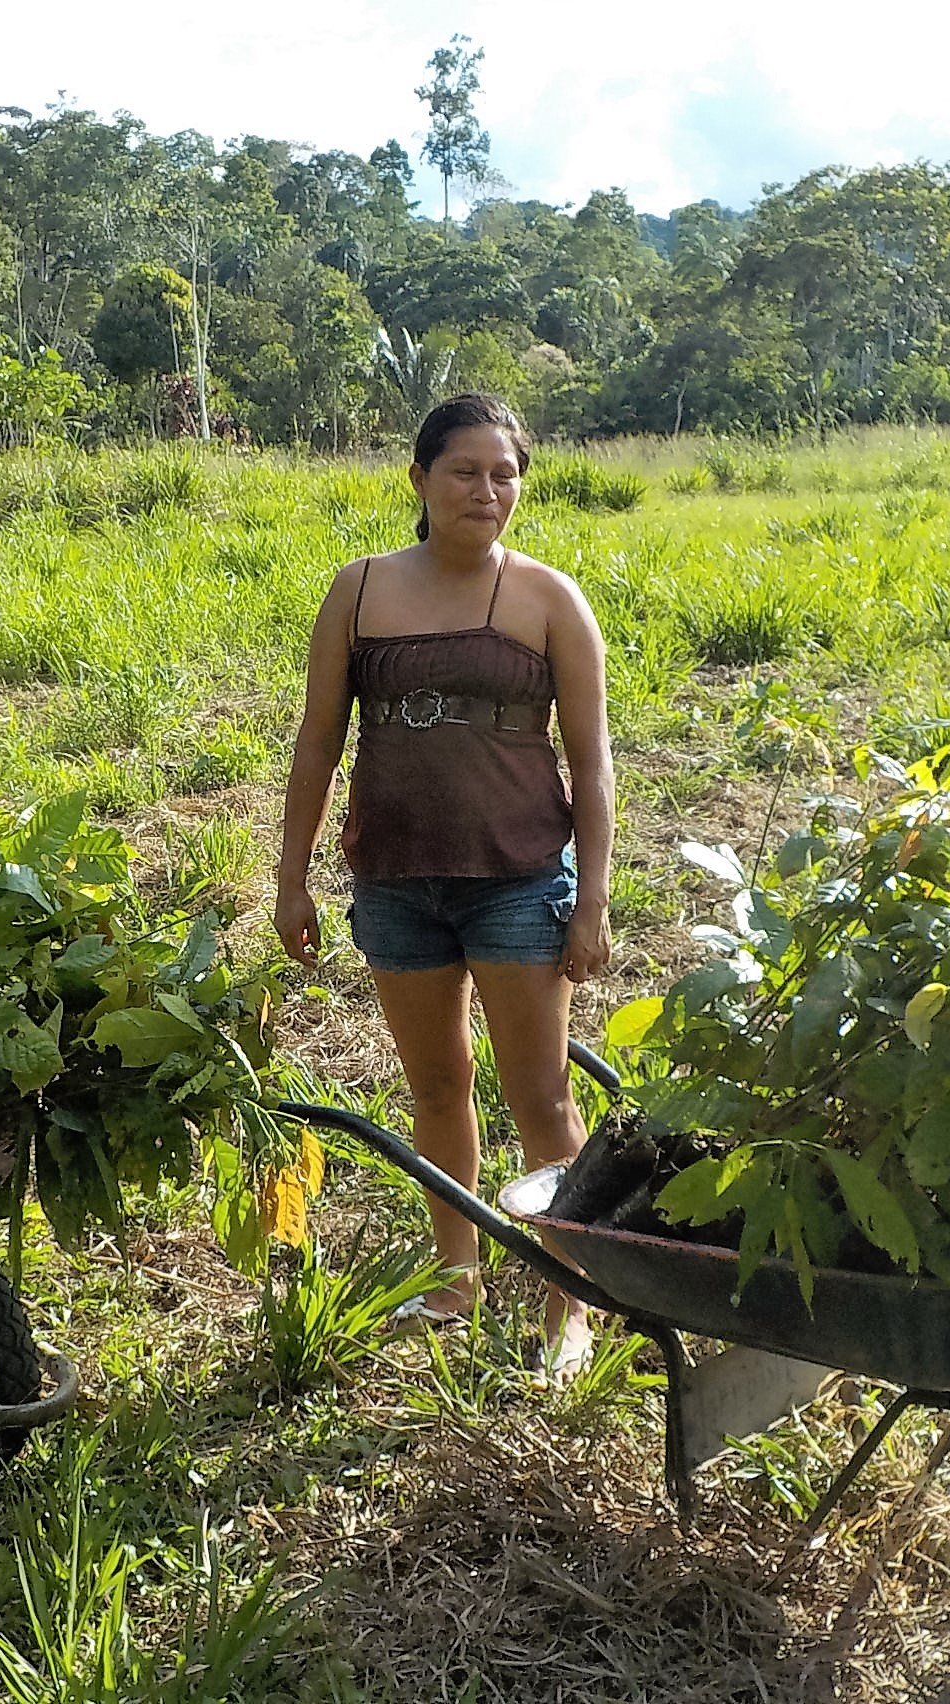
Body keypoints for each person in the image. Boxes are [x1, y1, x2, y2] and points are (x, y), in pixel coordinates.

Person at [276, 394, 613, 1379]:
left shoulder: (549, 598)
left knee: (541, 1100)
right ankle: (455, 1279)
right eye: (464, 471)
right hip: (396, 884)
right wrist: (291, 880)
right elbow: (317, 743)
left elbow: (592, 764)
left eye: (505, 474)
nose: (486, 490)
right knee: (436, 1089)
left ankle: (569, 1302)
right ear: (419, 479)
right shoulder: (359, 591)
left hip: (518, 881)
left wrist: (591, 900)